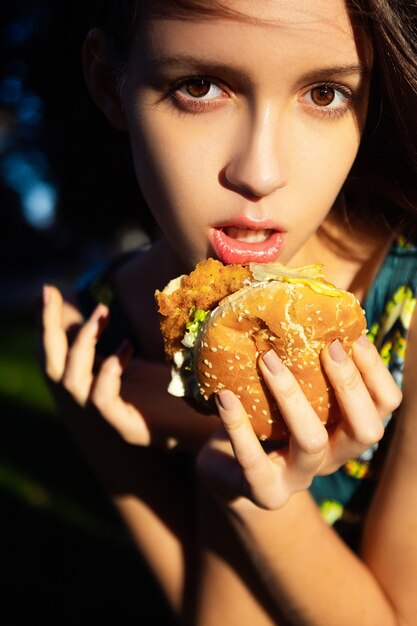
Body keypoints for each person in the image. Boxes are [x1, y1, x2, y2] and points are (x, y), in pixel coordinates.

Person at [41, 0, 417, 623]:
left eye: (325, 93)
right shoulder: (100, 345)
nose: (261, 174)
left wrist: (218, 450)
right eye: (200, 86)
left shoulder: (406, 311)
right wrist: (227, 459)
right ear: (110, 82)